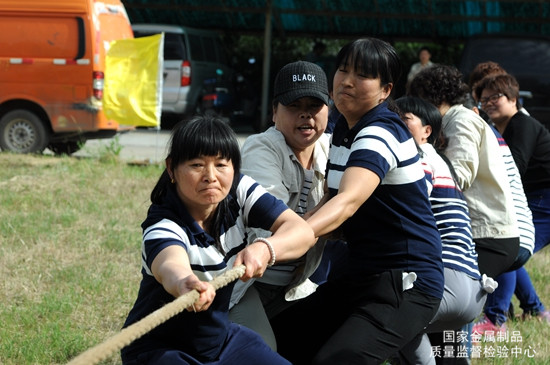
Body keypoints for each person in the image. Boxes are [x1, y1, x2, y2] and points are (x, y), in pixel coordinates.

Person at [271, 37, 444, 365]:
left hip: (406, 283)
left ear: (385, 90)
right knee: (283, 339)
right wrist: (283, 233)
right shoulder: (344, 131)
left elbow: (347, 203)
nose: (346, 81)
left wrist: (277, 246)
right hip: (363, 275)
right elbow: (331, 201)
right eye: (343, 70)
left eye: (362, 75)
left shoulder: (380, 132)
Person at [120, 115, 316, 365]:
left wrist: (266, 248)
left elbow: (302, 232)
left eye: (221, 164)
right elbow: (170, 265)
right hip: (159, 350)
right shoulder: (164, 224)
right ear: (171, 168)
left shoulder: (239, 190)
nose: (211, 176)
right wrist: (185, 283)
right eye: (197, 165)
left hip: (219, 341)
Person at [228, 60, 348, 350]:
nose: (305, 114)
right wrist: (340, 205)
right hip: (243, 285)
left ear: (328, 111)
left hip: (294, 287)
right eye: (294, 105)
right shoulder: (261, 147)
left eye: (314, 104)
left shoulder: (334, 148)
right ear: (274, 113)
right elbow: (273, 235)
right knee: (261, 352)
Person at [395, 96, 488, 365]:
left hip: (444, 280)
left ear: (427, 132)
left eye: (404, 119)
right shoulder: (442, 163)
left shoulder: (418, 158)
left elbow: (410, 204)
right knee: (452, 358)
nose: (395, 125)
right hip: (472, 287)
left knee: (387, 321)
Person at [408, 64, 520, 280]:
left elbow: (459, 176)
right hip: (480, 231)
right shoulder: (450, 121)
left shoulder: (461, 121)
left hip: (486, 233)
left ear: (430, 96)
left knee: (448, 293)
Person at [473, 73, 550, 323]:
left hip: (545, 201)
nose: (489, 104)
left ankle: (495, 320)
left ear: (514, 98)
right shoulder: (502, 128)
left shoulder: (522, 125)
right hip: (536, 199)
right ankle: (536, 310)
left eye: (495, 97)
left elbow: (512, 168)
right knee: (513, 251)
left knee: (506, 246)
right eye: (484, 100)